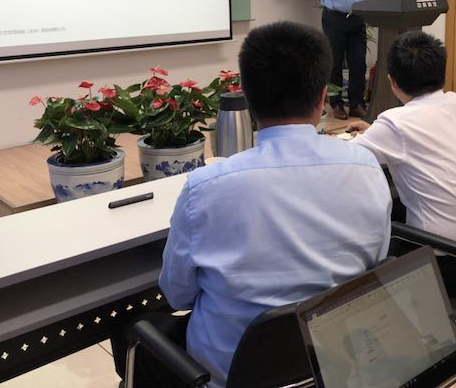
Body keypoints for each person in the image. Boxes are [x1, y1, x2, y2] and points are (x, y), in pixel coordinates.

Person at [112, 21, 392, 388]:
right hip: (338, 367)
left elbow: (178, 295)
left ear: (246, 95)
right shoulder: (366, 168)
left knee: (136, 334)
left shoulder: (206, 188)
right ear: (322, 96)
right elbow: (375, 262)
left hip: (226, 377)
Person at [346, 31, 456, 290]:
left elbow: (345, 158)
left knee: (378, 215)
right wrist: (375, 133)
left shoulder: (396, 123)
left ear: (392, 81)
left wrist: (372, 134)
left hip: (448, 262)